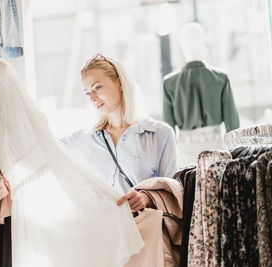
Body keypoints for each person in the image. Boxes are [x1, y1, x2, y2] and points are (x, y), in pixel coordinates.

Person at [61, 54, 178, 212]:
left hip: (142, 231)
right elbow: (42, 146)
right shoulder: (83, 139)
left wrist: (147, 198)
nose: (93, 98)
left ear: (119, 83)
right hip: (102, 231)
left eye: (97, 87)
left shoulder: (159, 133)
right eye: (88, 93)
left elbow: (174, 192)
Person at [163, 23, 239, 167]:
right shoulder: (220, 77)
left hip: (186, 150)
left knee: (190, 187)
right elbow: (232, 123)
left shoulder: (169, 83)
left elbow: (169, 128)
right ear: (203, 43)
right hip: (215, 145)